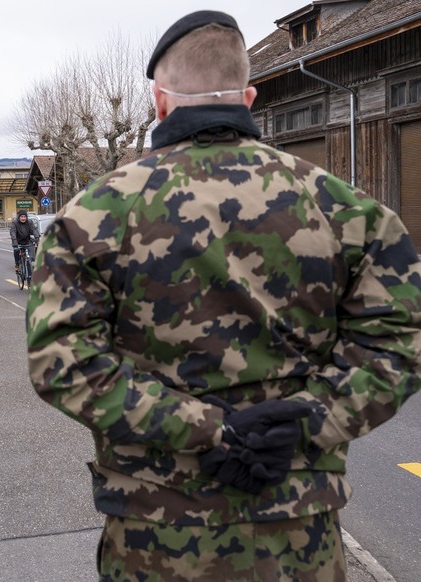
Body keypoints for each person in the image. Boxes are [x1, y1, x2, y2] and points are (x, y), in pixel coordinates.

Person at [27, 10, 421, 581]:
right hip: (299, 527)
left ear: (160, 103)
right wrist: (305, 421)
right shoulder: (350, 211)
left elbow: (64, 363)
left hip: (155, 530)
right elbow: (395, 347)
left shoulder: (94, 215)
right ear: (251, 97)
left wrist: (206, 427)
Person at [9, 209, 40, 274]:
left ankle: (29, 275)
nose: (23, 218)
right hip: (17, 241)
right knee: (16, 250)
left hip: (27, 241)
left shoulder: (30, 222)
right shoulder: (15, 223)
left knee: (30, 258)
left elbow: (34, 230)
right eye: (22, 217)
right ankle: (17, 264)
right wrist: (14, 241)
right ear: (19, 217)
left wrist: (37, 238)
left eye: (24, 217)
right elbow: (13, 232)